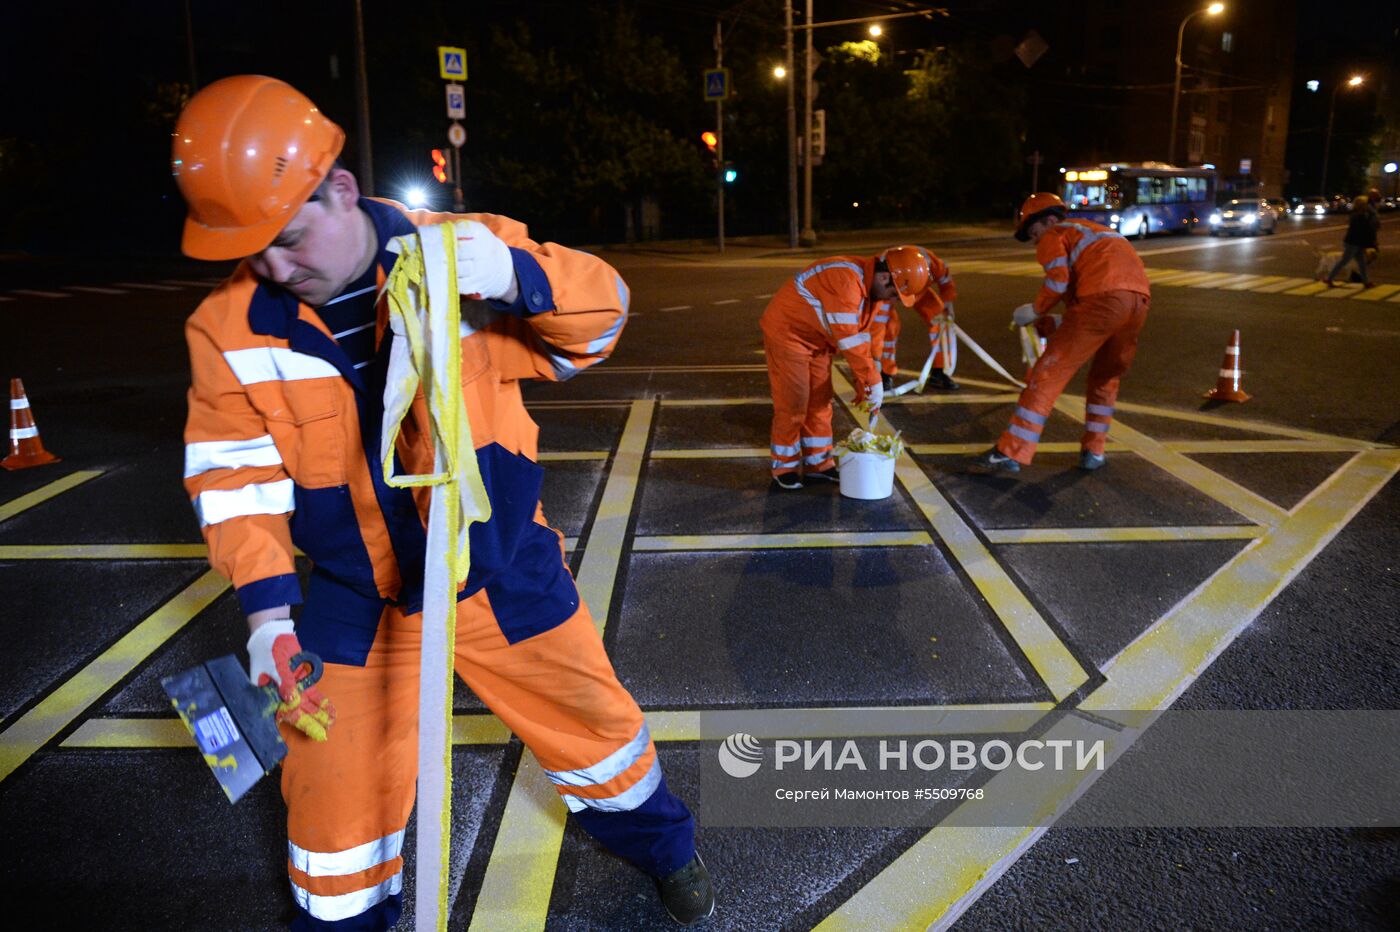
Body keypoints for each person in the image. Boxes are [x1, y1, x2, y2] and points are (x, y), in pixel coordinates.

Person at [172, 75, 712, 929]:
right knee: (327, 807)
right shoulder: (226, 330)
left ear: (339, 188)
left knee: (598, 732)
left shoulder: (462, 251)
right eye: (255, 249)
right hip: (357, 598)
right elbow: (232, 483)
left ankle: (667, 852)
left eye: (291, 235)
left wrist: (514, 273)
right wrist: (269, 619)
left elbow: (601, 323)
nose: (278, 266)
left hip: (498, 570)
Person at [969, 193, 1150, 474]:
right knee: (1105, 378)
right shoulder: (1097, 233)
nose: (1035, 240)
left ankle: (1012, 451)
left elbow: (1060, 282)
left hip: (1102, 302)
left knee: (1045, 376)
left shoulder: (1056, 233)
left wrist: (1035, 310)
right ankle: (1094, 450)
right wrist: (1056, 322)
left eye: (1034, 232)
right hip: (1138, 303)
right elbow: (1101, 301)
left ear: (1050, 219)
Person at [760, 247, 932, 489]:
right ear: (885, 278)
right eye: (895, 294)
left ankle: (818, 465)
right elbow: (849, 337)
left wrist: (864, 380)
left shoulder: (868, 289)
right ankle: (784, 467)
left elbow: (860, 337)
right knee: (794, 402)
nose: (893, 301)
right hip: (789, 335)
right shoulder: (845, 278)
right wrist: (873, 380)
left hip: (817, 340)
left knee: (820, 402)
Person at [869, 246, 960, 392]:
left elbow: (946, 281)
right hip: (891, 289)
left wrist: (947, 302)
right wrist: (874, 365)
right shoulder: (886, 271)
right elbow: (877, 328)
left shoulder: (935, 265)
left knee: (941, 321)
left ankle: (940, 370)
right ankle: (884, 373)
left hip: (917, 289)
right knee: (887, 327)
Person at [1324, 195, 1377, 287]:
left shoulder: (1358, 214)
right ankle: (1329, 279)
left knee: (1362, 263)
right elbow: (1364, 230)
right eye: (1366, 204)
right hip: (1353, 243)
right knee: (1344, 261)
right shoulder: (1359, 216)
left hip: (1356, 243)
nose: (1367, 206)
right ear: (1362, 205)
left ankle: (1366, 282)